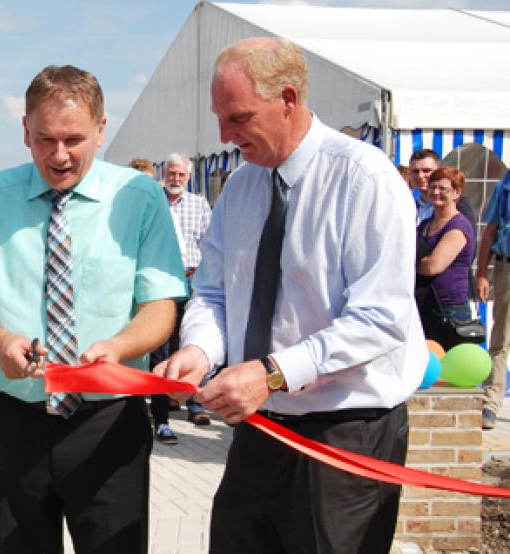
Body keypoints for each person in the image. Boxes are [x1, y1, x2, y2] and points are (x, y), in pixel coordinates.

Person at [156, 38, 425, 553]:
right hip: (259, 425)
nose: (224, 135)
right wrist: (199, 351)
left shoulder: (363, 179)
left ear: (287, 99)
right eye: (218, 118)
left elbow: (380, 318)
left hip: (345, 434)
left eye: (237, 118)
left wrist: (273, 371)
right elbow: (213, 292)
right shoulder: (239, 189)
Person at [0, 65, 187, 553]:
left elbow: (159, 306)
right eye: (44, 139)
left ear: (101, 129)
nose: (58, 155)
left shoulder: (138, 199)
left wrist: (118, 347)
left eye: (73, 139)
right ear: (25, 130)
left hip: (107, 422)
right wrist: (0, 341)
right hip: (14, 417)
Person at [156, 153, 213, 441]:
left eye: (180, 174)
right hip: (163, 286)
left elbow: (210, 243)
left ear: (189, 177)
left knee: (192, 344)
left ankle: (195, 404)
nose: (175, 179)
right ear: (163, 173)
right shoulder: (154, 203)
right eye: (171, 173)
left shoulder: (199, 205)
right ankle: (162, 411)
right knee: (161, 348)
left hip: (192, 284)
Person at [414, 167, 475, 349]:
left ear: (457, 193)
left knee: (447, 372)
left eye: (443, 188)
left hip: (450, 310)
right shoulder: (425, 224)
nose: (436, 192)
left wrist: (409, 264)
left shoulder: (458, 226)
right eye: (433, 187)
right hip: (424, 306)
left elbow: (434, 266)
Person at [478, 169, 510, 429]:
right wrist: (481, 273)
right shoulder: (504, 185)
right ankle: (490, 403)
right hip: (506, 266)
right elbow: (490, 231)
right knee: (501, 338)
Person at [410, 148, 477, 227]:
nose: (420, 176)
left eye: (426, 170)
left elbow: (469, 235)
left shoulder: (458, 203)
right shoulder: (410, 206)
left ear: (438, 171)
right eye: (415, 171)